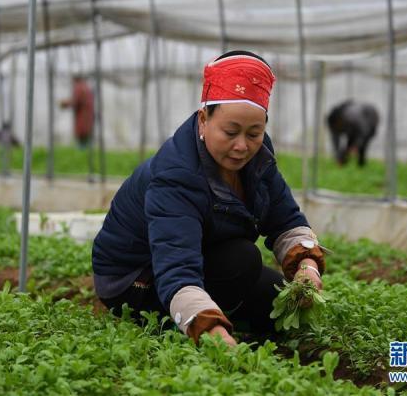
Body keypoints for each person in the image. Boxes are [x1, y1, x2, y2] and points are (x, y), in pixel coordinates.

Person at [92, 50, 327, 346]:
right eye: (230, 132)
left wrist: (307, 264)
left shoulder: (259, 159)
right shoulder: (176, 175)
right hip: (136, 279)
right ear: (204, 120)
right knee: (242, 259)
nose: (242, 146)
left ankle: (223, 312)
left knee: (279, 305)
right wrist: (209, 331)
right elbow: (176, 267)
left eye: (254, 133)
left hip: (204, 256)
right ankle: (193, 320)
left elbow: (286, 220)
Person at [326, 99, 379, 167]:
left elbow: (364, 132)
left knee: (361, 147)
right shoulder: (333, 122)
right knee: (349, 148)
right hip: (354, 128)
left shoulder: (352, 118)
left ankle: (361, 164)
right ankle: (343, 162)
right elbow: (335, 140)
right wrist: (338, 156)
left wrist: (356, 146)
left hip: (369, 123)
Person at [60, 74, 95, 149]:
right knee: (86, 135)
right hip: (88, 115)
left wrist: (64, 104)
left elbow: (75, 101)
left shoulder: (79, 87)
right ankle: (86, 150)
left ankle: (82, 152)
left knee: (82, 136)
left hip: (82, 115)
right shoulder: (86, 87)